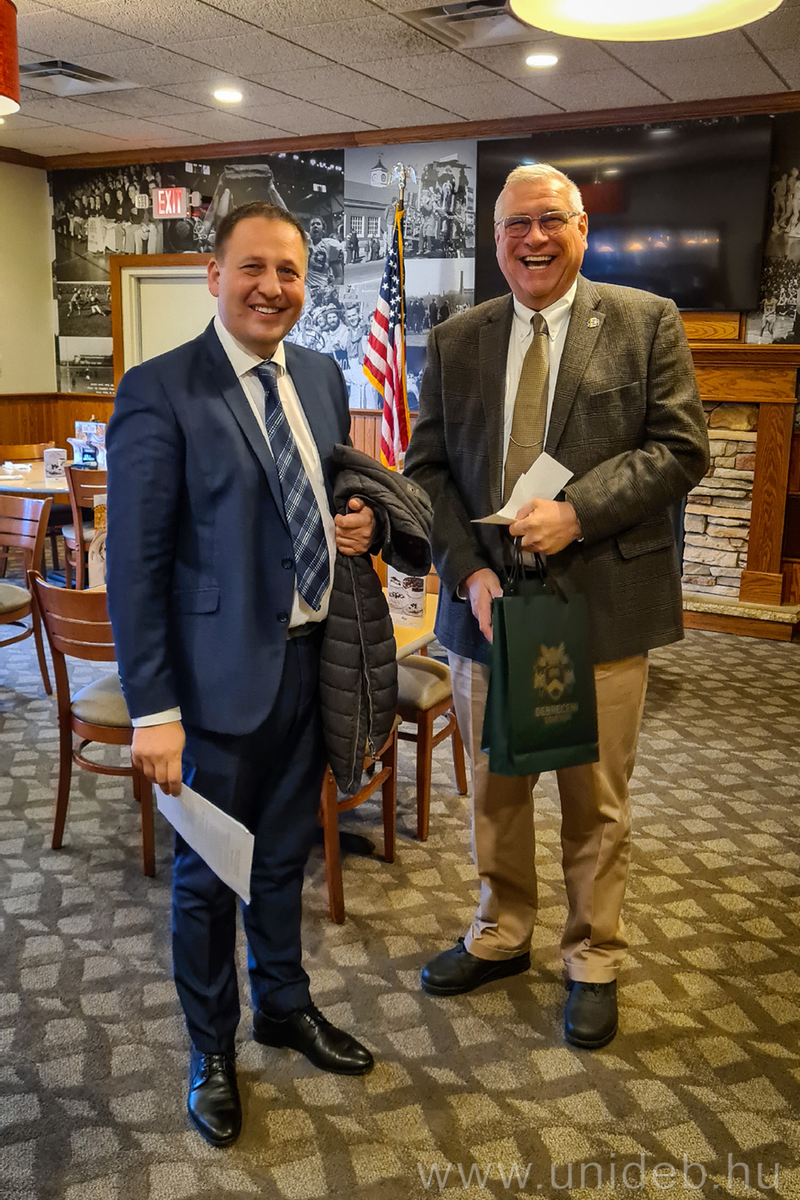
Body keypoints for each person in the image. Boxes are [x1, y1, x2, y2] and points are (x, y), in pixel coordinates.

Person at [404, 163, 709, 1051]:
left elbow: (681, 447)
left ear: (582, 229)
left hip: (600, 604)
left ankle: (593, 957)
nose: (532, 240)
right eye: (515, 226)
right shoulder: (456, 339)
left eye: (549, 221)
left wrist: (579, 511)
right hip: (487, 612)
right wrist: (468, 574)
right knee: (495, 792)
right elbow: (428, 472)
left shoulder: (646, 321)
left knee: (594, 801)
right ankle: (501, 932)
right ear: (495, 239)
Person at [106, 201, 377, 1149]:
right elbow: (134, 567)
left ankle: (284, 1005)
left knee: (283, 857)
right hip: (211, 689)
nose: (272, 288)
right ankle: (211, 1050)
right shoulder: (160, 390)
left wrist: (358, 521)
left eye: (289, 271)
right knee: (207, 878)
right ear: (214, 276)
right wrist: (154, 708)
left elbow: (326, 491)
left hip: (308, 668)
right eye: (252, 268)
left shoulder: (323, 375)